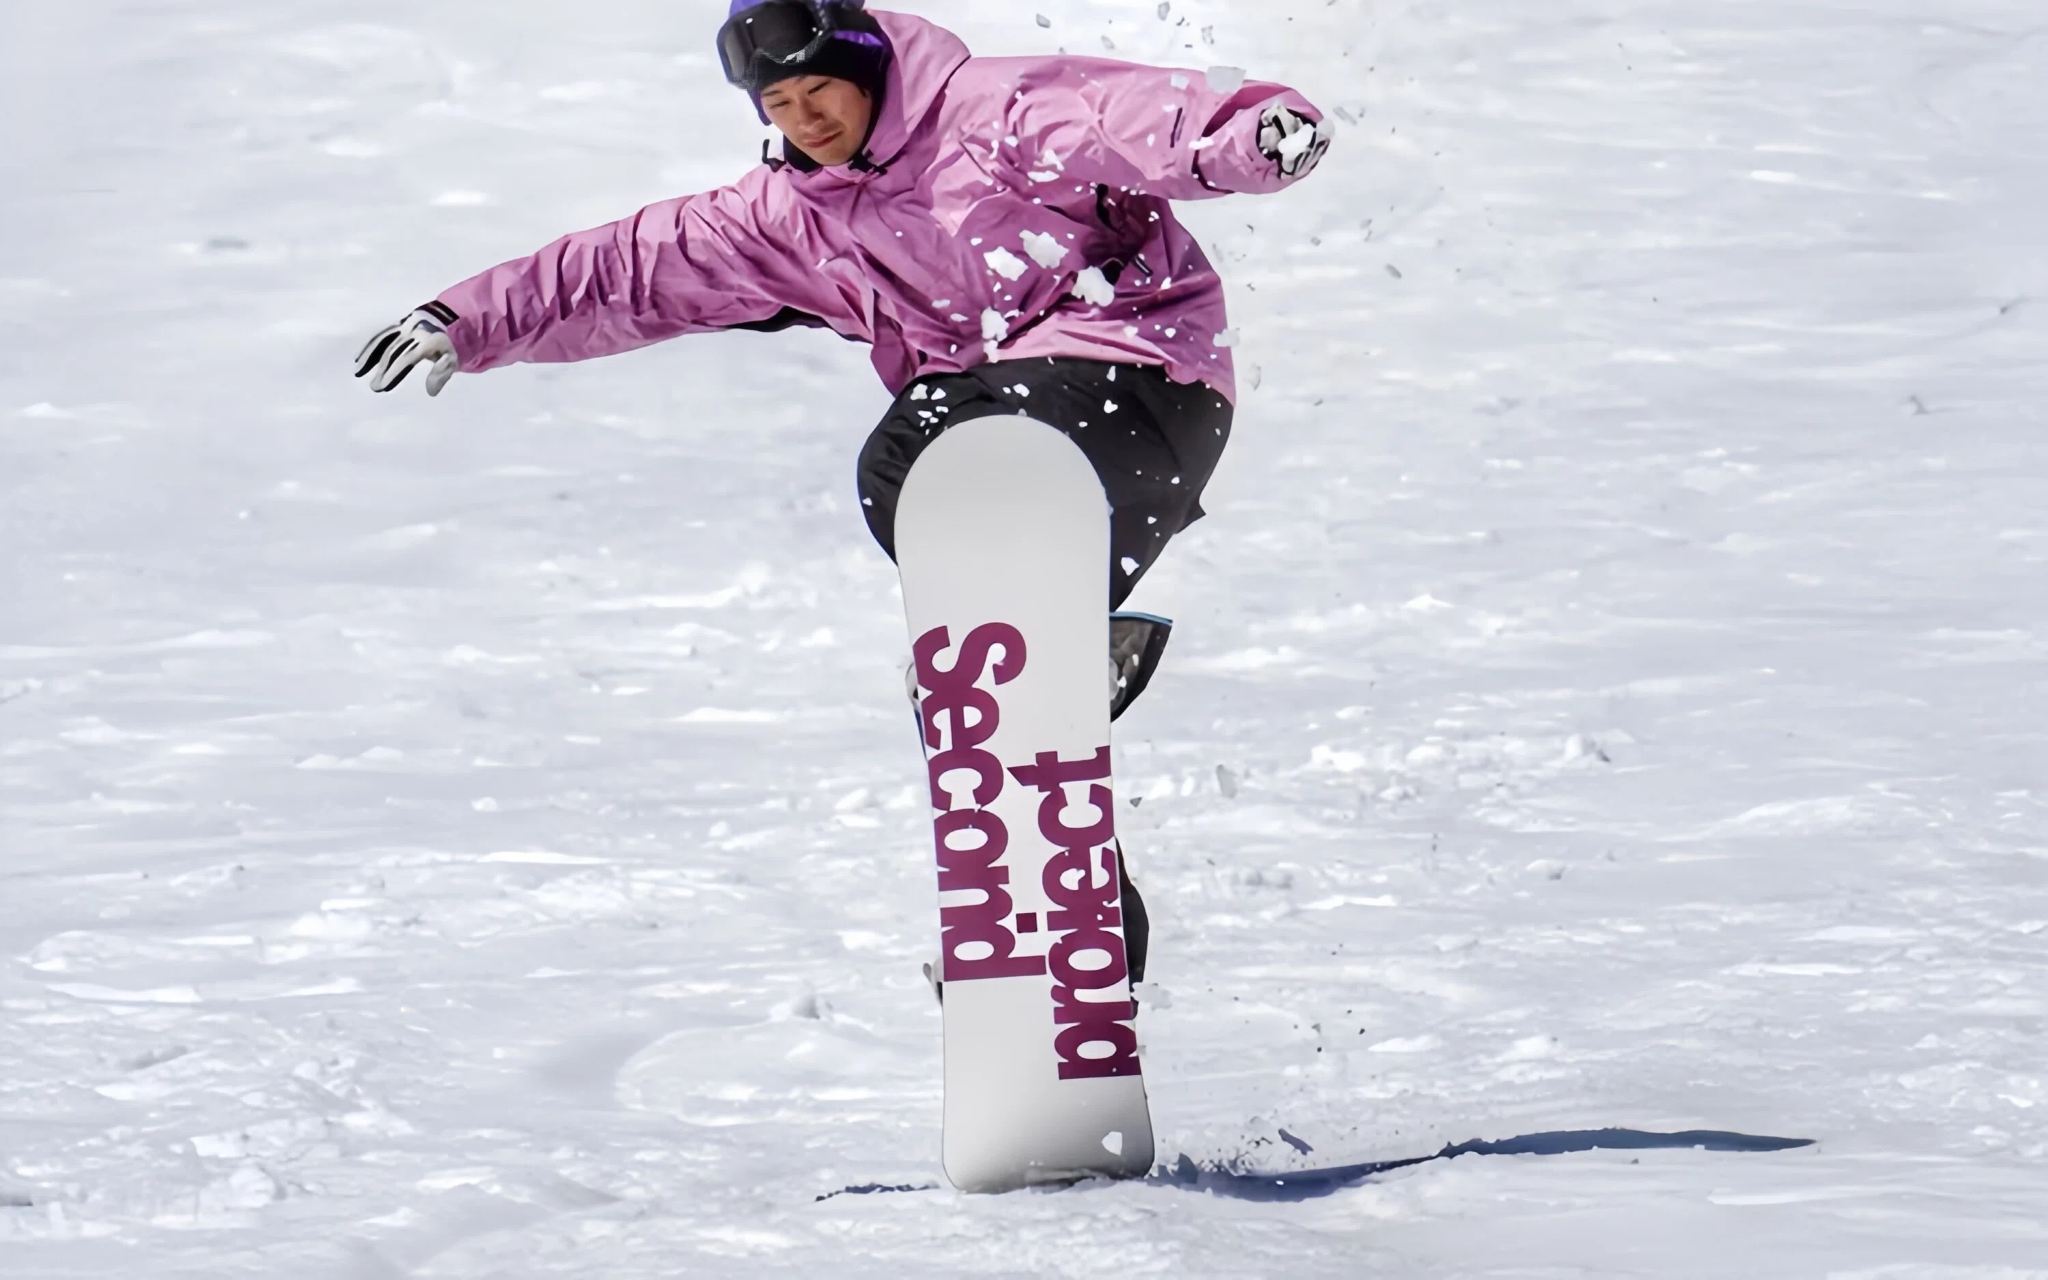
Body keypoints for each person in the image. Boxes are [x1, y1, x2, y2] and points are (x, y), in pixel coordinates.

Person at [354, 0, 1331, 985]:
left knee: (924, 446)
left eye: (820, 89)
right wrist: (466, 318)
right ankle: (1066, 940)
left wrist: (1253, 135)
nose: (806, 117)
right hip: (1010, 437)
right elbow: (625, 271)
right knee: (958, 622)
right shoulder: (787, 216)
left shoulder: (994, 112)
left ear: (866, 70)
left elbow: (1139, 121)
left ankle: (1049, 642)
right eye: (779, 101)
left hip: (1137, 385)